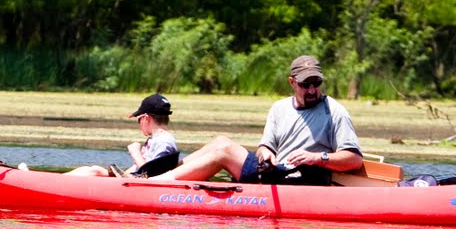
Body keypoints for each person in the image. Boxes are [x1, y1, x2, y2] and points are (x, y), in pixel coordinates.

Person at [149, 55, 362, 185]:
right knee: (220, 141)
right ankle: (165, 176)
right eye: (305, 84)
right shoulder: (279, 108)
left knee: (225, 151)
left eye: (316, 82)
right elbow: (264, 147)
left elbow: (354, 159)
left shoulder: (334, 111)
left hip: (301, 179)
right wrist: (265, 154)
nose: (312, 90)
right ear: (292, 82)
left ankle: (157, 184)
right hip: (274, 173)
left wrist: (317, 158)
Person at [66, 93, 180, 178]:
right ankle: (53, 181)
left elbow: (150, 175)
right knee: (93, 170)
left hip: (138, 186)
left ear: (146, 118)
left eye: (138, 119)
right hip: (130, 179)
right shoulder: (157, 139)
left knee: (94, 172)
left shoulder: (163, 142)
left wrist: (136, 153)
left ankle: (52, 184)